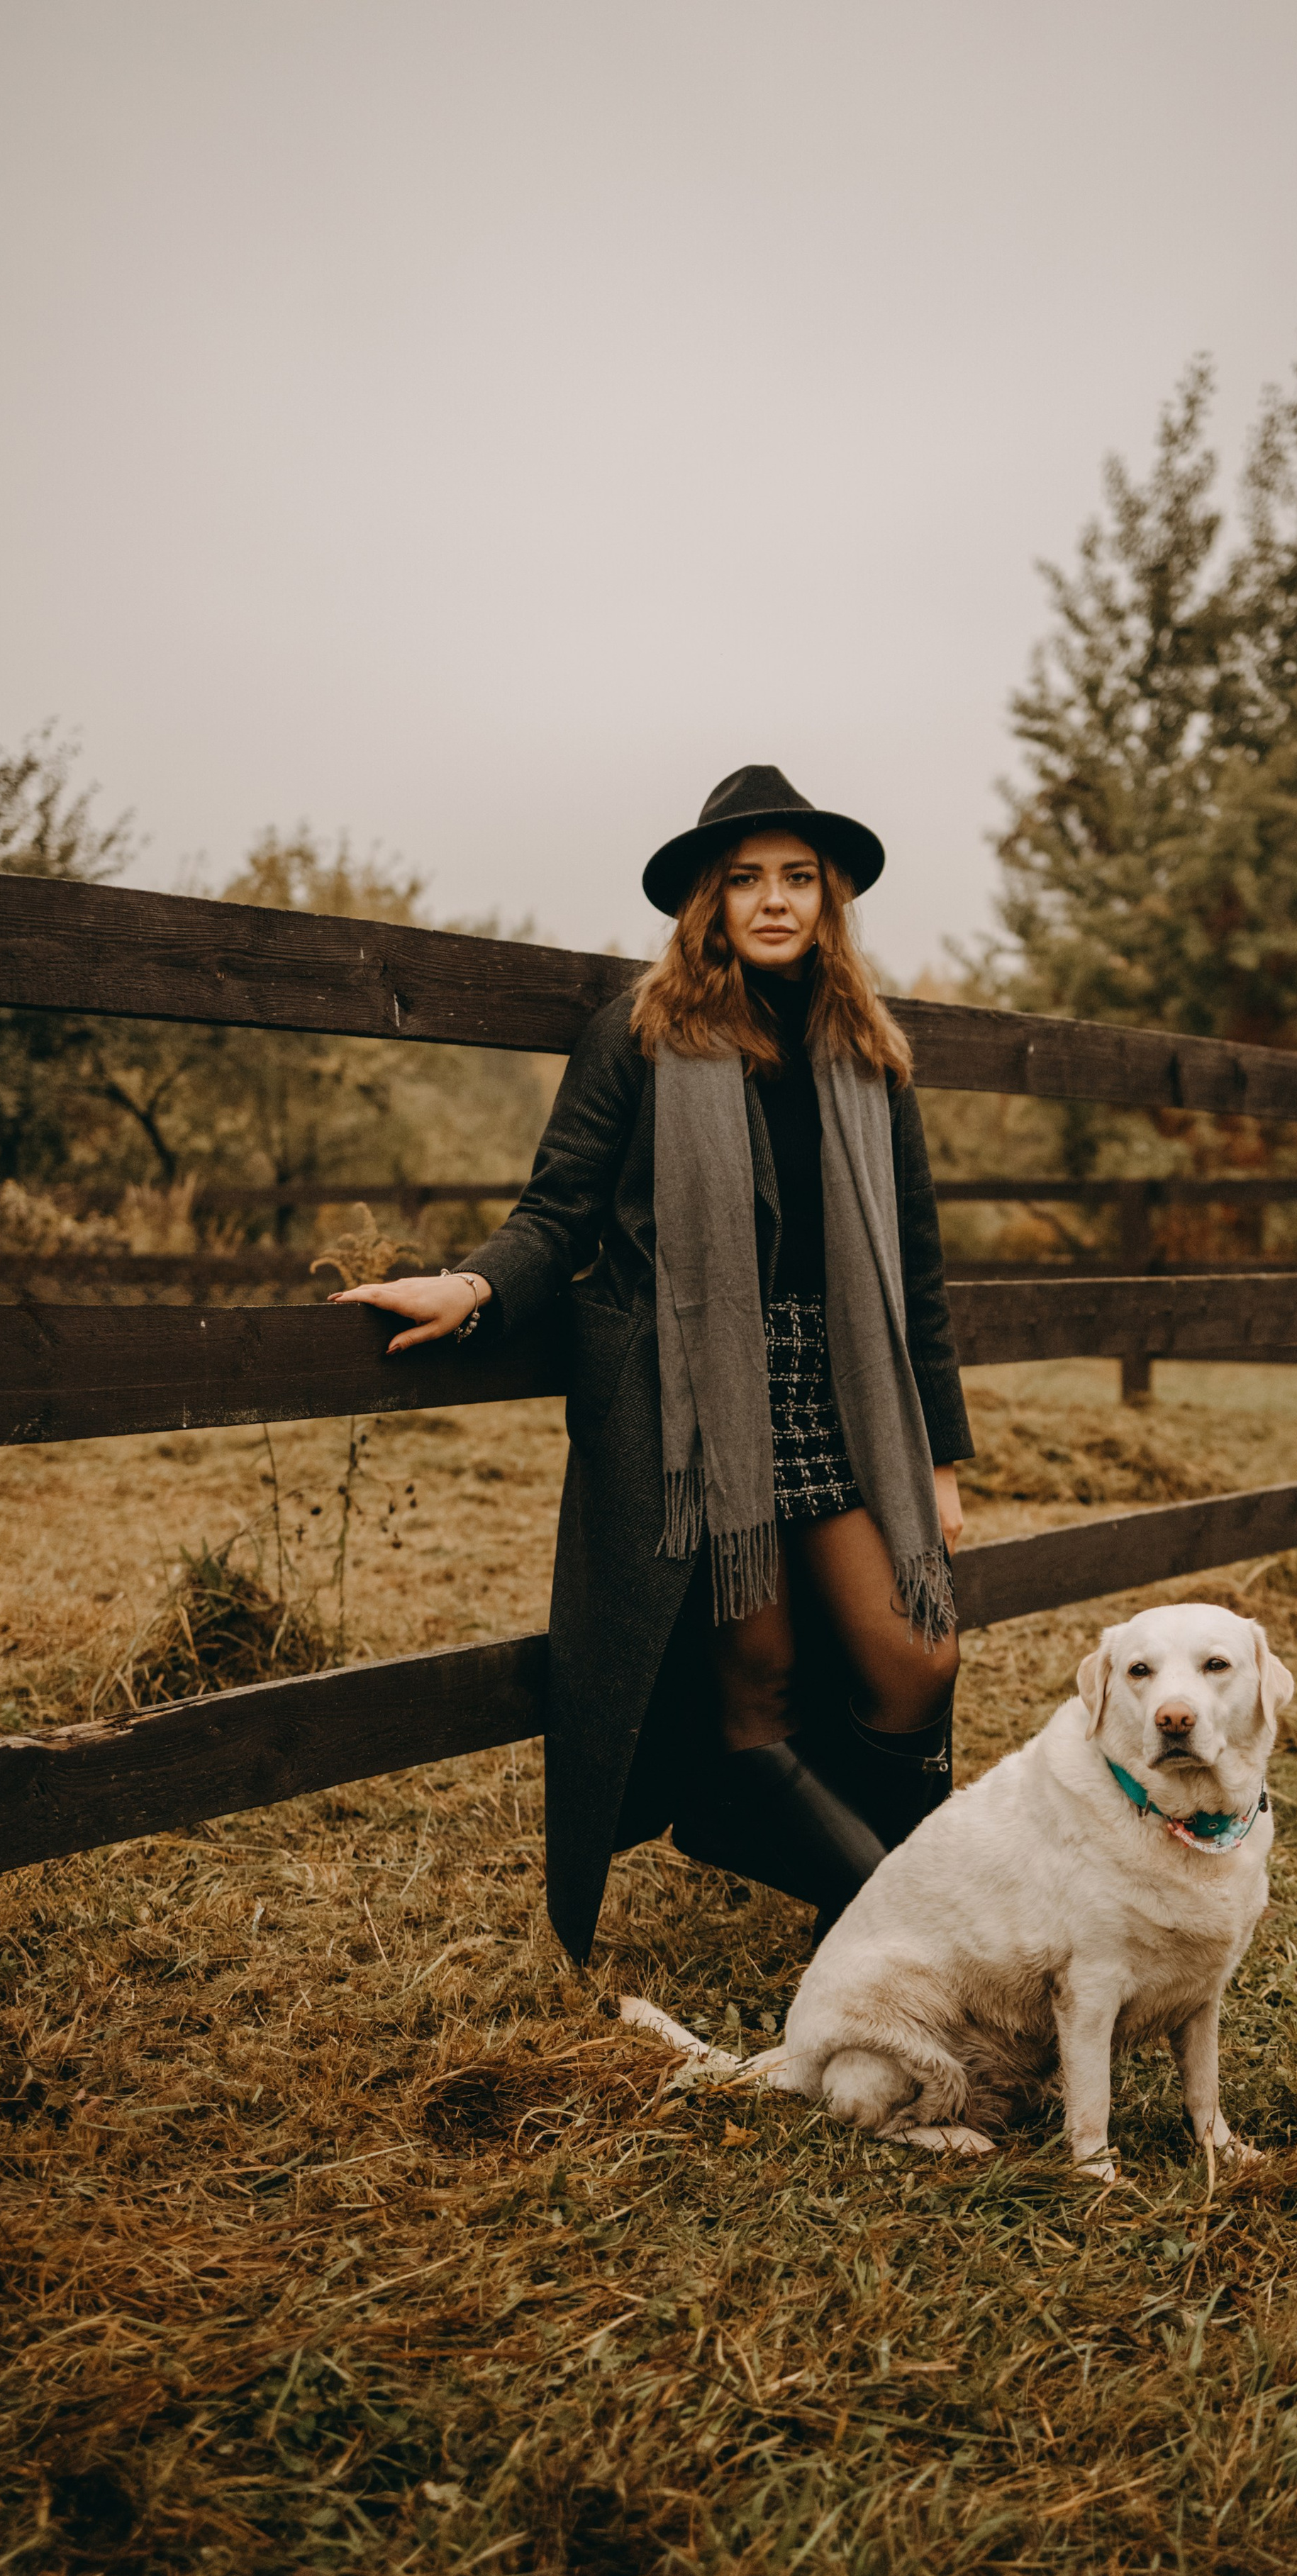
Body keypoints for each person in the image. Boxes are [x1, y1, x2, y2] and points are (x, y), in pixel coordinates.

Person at [332, 766, 972, 1963]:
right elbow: (559, 1210)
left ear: (829, 900)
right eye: (746, 881)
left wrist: (936, 1454)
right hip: (692, 1408)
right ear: (708, 902)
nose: (774, 901)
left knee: (915, 1654)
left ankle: (879, 1910)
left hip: (837, 1397)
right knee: (760, 1679)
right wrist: (473, 1285)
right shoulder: (644, 1033)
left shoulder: (869, 1055)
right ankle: (894, 1940)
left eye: (798, 879)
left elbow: (916, 1278)